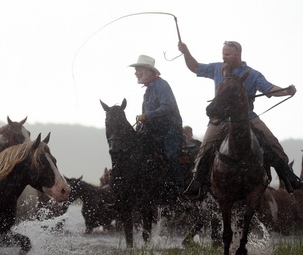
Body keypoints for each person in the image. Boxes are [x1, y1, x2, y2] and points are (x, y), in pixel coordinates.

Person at [178, 40, 301, 198]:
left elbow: (270, 88)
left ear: (238, 54)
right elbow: (195, 67)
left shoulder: (253, 74)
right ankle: (197, 182)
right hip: (221, 119)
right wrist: (186, 52)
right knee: (206, 146)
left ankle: (289, 178)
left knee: (272, 142)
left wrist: (286, 91)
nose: (224, 57)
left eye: (227, 54)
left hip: (247, 117)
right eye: (223, 54)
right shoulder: (217, 68)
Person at [129, 55, 185, 194]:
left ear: (148, 71)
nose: (135, 73)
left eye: (138, 69)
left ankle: (181, 189)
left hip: (170, 129)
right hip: (154, 130)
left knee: (170, 154)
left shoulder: (162, 85)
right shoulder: (148, 90)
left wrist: (147, 115)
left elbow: (167, 107)